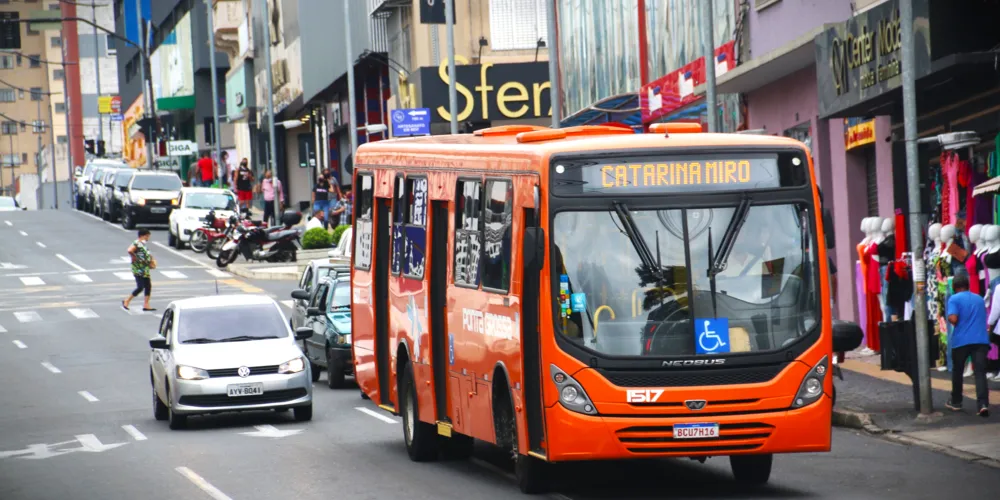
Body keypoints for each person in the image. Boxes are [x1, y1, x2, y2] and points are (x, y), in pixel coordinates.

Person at [946, 272, 991, 417]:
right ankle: (983, 404)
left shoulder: (954, 298)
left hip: (961, 341)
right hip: (980, 340)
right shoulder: (979, 298)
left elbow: (953, 318)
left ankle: (956, 401)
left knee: (958, 371)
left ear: (954, 287)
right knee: (980, 373)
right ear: (967, 285)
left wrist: (950, 318)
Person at [122, 229, 156, 312]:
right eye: (147, 236)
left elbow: (146, 254)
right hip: (139, 269)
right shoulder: (137, 243)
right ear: (142, 236)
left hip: (144, 268)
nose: (148, 238)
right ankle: (127, 300)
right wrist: (134, 256)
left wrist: (151, 260)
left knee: (148, 286)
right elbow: (130, 250)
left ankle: (146, 305)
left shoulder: (143, 244)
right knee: (140, 287)